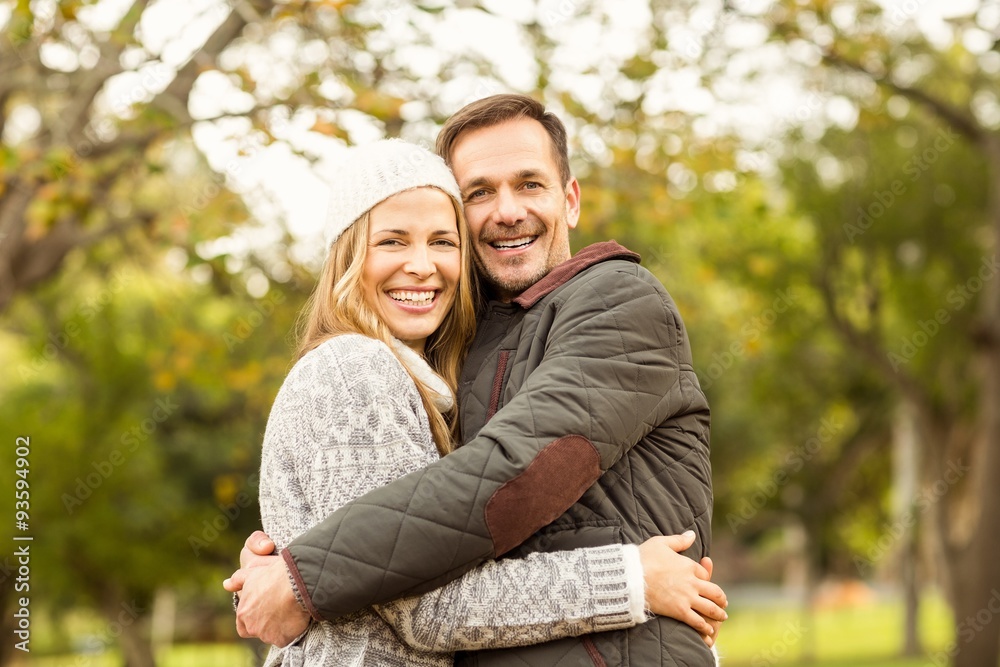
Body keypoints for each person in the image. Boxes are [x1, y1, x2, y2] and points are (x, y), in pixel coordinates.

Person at [227, 95, 718, 666]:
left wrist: (300, 575)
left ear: (571, 199)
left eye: (529, 183)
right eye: (479, 193)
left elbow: (518, 470)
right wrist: (630, 579)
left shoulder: (616, 302)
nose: (506, 211)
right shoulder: (370, 365)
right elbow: (427, 601)